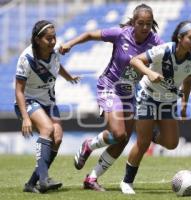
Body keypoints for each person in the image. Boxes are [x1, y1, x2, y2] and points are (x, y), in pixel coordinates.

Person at [59, 4, 163, 191]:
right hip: (110, 87)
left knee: (123, 139)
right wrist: (69, 44)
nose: (145, 27)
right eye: (141, 23)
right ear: (133, 22)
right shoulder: (120, 34)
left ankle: (91, 179)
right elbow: (90, 35)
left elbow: (170, 54)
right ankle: (89, 145)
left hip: (130, 93)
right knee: (119, 133)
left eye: (148, 23)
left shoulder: (156, 41)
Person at [119, 20, 191, 194]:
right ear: (180, 38)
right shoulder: (165, 49)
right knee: (142, 143)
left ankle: (152, 135)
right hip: (147, 96)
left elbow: (187, 83)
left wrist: (184, 104)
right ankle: (127, 182)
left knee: (172, 143)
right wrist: (150, 73)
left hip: (167, 101)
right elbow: (135, 61)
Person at [15, 20, 80, 193]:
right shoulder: (26, 58)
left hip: (49, 102)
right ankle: (44, 180)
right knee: (48, 129)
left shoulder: (55, 51)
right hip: (28, 101)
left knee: (57, 138)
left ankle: (31, 184)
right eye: (48, 39)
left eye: (54, 38)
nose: (53, 42)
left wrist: (68, 77)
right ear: (37, 40)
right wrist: (26, 117)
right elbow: (19, 90)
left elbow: (56, 65)